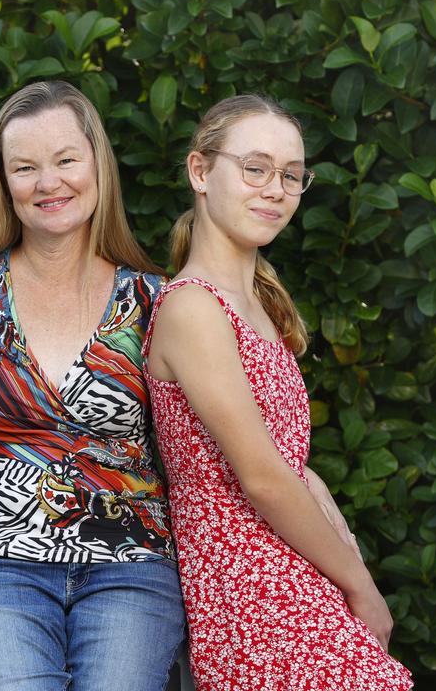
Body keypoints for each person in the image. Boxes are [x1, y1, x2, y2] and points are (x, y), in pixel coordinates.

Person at [142, 94, 414, 690]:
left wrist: (341, 552)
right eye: (255, 168)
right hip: (246, 577)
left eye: (291, 175)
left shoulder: (261, 304)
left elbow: (294, 468)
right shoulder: (193, 306)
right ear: (199, 172)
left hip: (292, 561)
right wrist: (360, 586)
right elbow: (263, 477)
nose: (275, 189)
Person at [0, 80, 186, 690]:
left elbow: (199, 445)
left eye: (66, 160)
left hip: (132, 562)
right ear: (4, 182)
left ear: (98, 166)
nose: (49, 183)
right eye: (25, 168)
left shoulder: (153, 300)